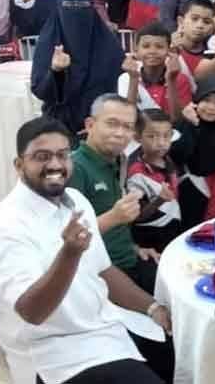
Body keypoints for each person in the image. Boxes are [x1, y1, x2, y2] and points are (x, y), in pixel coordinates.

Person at [0, 116, 173, 384]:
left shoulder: (77, 201)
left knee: (184, 355)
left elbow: (103, 271)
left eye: (62, 155)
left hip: (105, 331)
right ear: (19, 165)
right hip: (57, 356)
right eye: (42, 157)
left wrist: (152, 308)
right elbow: (32, 312)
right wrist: (69, 254)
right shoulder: (5, 227)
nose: (55, 164)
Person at [66, 94, 161, 294]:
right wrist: (114, 217)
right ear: (90, 125)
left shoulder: (116, 161)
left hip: (130, 260)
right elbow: (65, 237)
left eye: (128, 127)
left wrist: (134, 249)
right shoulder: (74, 168)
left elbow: (114, 228)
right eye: (112, 124)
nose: (120, 133)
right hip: (102, 276)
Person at [32, 0, 124, 134]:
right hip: (57, 128)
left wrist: (99, 123)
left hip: (101, 127)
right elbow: (43, 92)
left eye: (82, 5)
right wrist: (56, 72)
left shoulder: (108, 44)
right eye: (69, 5)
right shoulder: (49, 42)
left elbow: (118, 90)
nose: (76, 11)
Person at [171, 76, 215, 228]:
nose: (211, 107)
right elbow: (174, 156)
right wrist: (192, 125)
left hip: (205, 212)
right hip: (171, 211)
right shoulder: (181, 126)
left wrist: (209, 226)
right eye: (206, 100)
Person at [126, 108, 181, 253]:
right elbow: (137, 216)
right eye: (152, 136)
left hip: (171, 225)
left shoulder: (167, 159)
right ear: (137, 137)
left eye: (166, 136)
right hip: (149, 235)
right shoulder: (136, 172)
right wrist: (159, 200)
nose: (161, 143)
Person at [118, 22, 192, 120]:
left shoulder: (180, 79)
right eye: (146, 46)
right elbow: (128, 118)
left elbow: (177, 120)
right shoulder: (126, 78)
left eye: (159, 47)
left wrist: (171, 80)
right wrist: (133, 79)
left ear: (169, 50)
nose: (152, 51)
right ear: (136, 50)